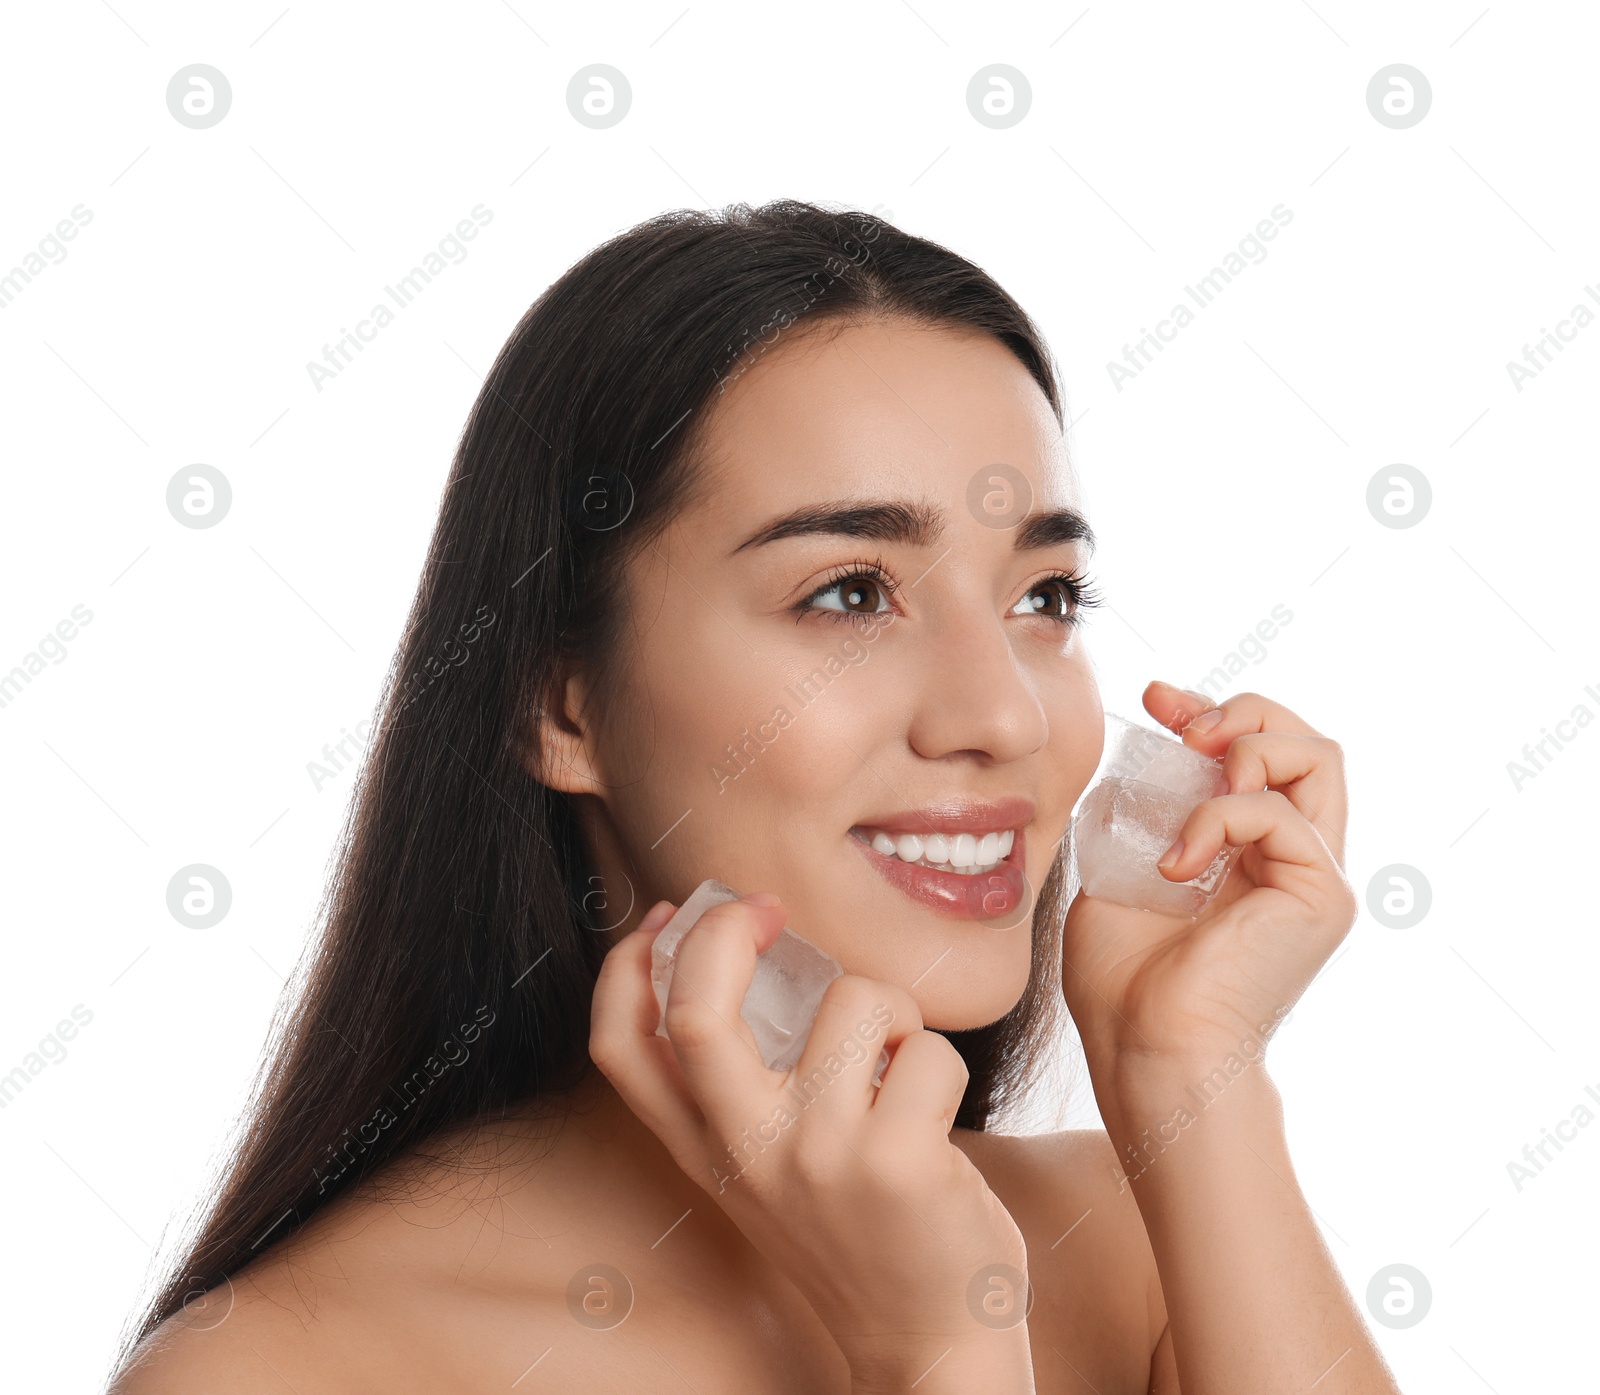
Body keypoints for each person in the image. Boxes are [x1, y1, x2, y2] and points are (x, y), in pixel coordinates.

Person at [110, 200, 1395, 1393]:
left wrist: (1189, 1075)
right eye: (848, 593)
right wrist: (937, 1345)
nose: (1003, 714)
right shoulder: (288, 1368)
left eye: (1042, 599)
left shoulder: (1137, 1244)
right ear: (558, 707)